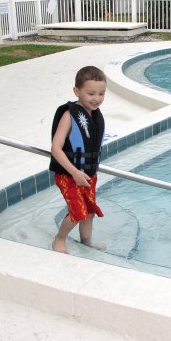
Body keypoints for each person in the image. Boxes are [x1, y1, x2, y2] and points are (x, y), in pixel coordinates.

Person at [49, 66, 107, 254]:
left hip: (88, 175)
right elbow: (56, 148)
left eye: (101, 93)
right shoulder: (69, 115)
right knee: (77, 211)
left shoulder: (95, 116)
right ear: (77, 91)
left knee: (89, 212)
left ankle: (86, 243)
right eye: (91, 93)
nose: (96, 98)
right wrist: (74, 173)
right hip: (69, 175)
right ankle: (59, 239)